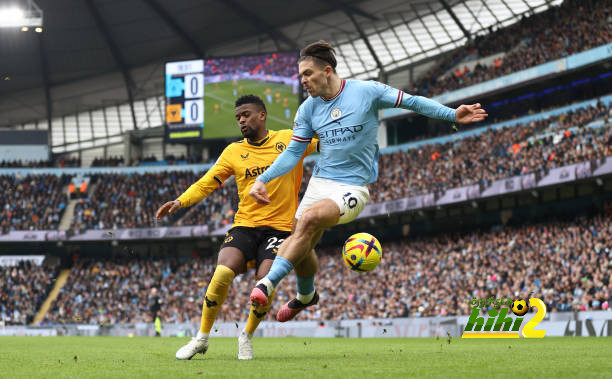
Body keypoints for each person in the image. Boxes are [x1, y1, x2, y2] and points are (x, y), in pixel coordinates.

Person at [248, 40, 488, 322]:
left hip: (353, 187)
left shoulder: (368, 91)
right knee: (301, 240)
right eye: (301, 76)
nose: (303, 81)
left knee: (310, 220)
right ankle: (306, 296)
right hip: (321, 182)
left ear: (327, 71)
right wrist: (263, 179)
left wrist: (451, 114)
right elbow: (293, 153)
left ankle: (266, 284)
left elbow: (411, 101)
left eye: (307, 74)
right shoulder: (307, 110)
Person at [156, 95, 318, 360]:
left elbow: (327, 141)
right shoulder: (233, 151)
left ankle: (246, 336)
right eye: (238, 117)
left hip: (279, 229)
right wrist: (180, 201)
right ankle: (201, 338)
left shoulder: (289, 139)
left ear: (262, 115)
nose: (241, 120)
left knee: (264, 286)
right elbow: (207, 182)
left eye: (246, 114)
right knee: (221, 274)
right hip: (244, 226)